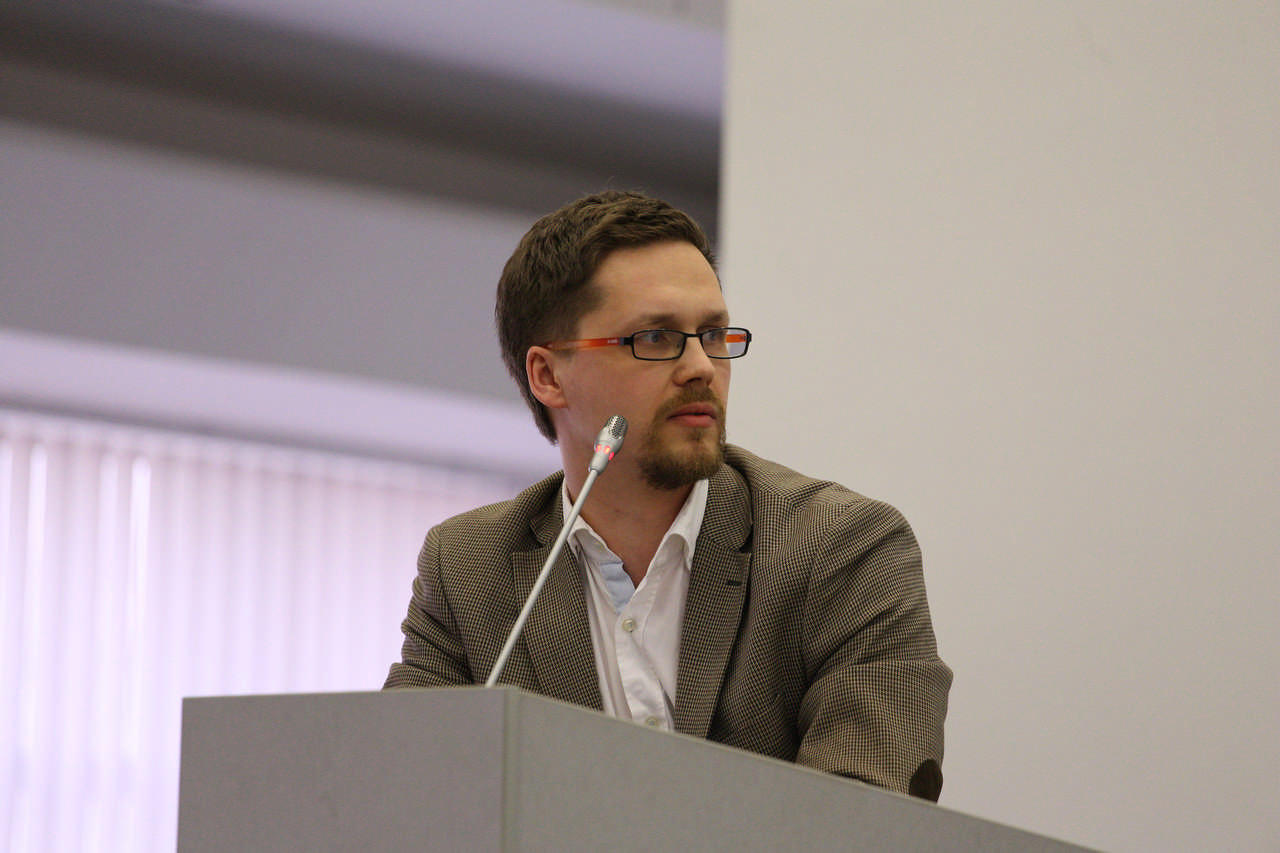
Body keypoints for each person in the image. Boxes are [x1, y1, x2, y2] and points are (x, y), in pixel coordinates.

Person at [384, 190, 952, 800]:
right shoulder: (469, 570)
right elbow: (404, 793)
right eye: (654, 337)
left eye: (713, 334)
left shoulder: (843, 548)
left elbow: (862, 813)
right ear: (548, 375)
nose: (701, 366)